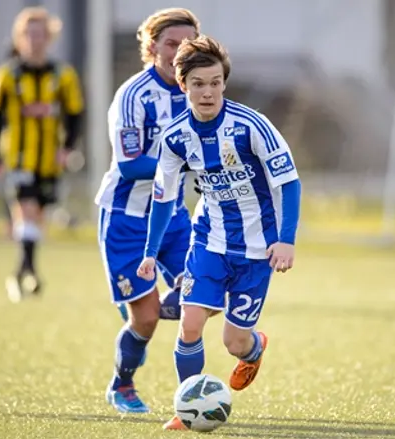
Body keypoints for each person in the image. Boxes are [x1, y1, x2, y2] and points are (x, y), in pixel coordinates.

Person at [137, 34, 302, 430]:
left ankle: (255, 348)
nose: (207, 92)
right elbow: (163, 198)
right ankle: (187, 408)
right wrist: (149, 251)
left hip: (257, 251)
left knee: (234, 342)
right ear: (184, 86)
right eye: (198, 84)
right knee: (190, 324)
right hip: (209, 241)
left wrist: (287, 239)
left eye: (214, 82)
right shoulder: (176, 137)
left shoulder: (251, 126)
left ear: (224, 82)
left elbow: (289, 183)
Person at [94, 8, 201, 414]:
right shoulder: (133, 95)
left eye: (187, 45)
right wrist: (190, 162)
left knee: (202, 292)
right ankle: (122, 384)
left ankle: (195, 394)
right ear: (152, 46)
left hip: (172, 216)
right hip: (126, 218)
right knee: (146, 319)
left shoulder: (199, 90)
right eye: (172, 44)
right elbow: (130, 164)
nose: (179, 53)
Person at [0, 7, 84, 303]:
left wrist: (67, 148)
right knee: (25, 208)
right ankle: (30, 272)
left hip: (49, 159)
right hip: (18, 156)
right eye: (29, 34)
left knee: (36, 216)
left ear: (49, 37)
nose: (35, 40)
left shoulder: (63, 75)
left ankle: (21, 271)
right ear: (19, 37)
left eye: (40, 34)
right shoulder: (7, 74)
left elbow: (76, 113)